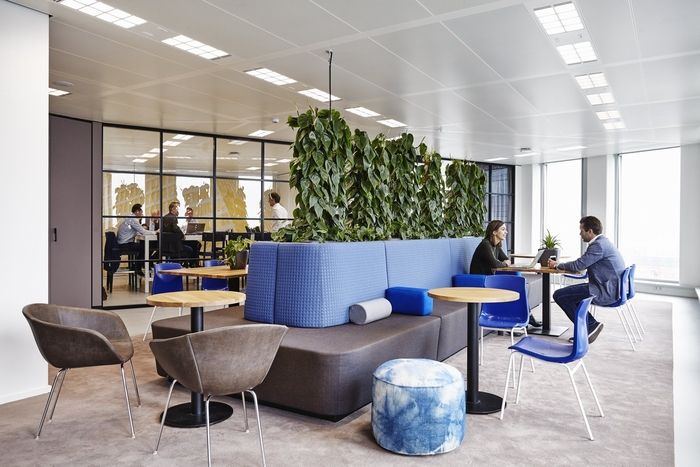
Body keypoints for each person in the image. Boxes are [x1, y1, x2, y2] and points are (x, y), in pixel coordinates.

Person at [549, 215, 626, 344]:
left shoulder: (598, 245)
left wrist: (557, 265)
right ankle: (589, 326)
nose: (580, 234)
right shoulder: (603, 242)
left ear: (590, 231)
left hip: (604, 290)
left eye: (581, 230)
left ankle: (590, 325)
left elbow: (579, 265)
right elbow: (582, 265)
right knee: (571, 296)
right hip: (608, 287)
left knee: (559, 295)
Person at [470, 220, 542, 328]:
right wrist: (503, 263)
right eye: (503, 229)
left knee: (517, 280)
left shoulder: (497, 246)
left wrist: (503, 263)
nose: (506, 232)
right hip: (480, 280)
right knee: (515, 282)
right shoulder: (485, 245)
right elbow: (497, 263)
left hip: (490, 278)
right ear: (494, 232)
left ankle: (523, 317)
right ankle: (521, 317)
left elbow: (505, 260)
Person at [116, 203, 157, 275]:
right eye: (141, 211)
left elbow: (136, 231)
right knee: (145, 248)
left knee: (142, 246)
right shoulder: (133, 219)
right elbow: (143, 231)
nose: (142, 213)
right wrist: (155, 232)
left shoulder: (129, 218)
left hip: (122, 242)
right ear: (137, 211)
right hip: (125, 244)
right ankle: (138, 267)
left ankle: (137, 265)